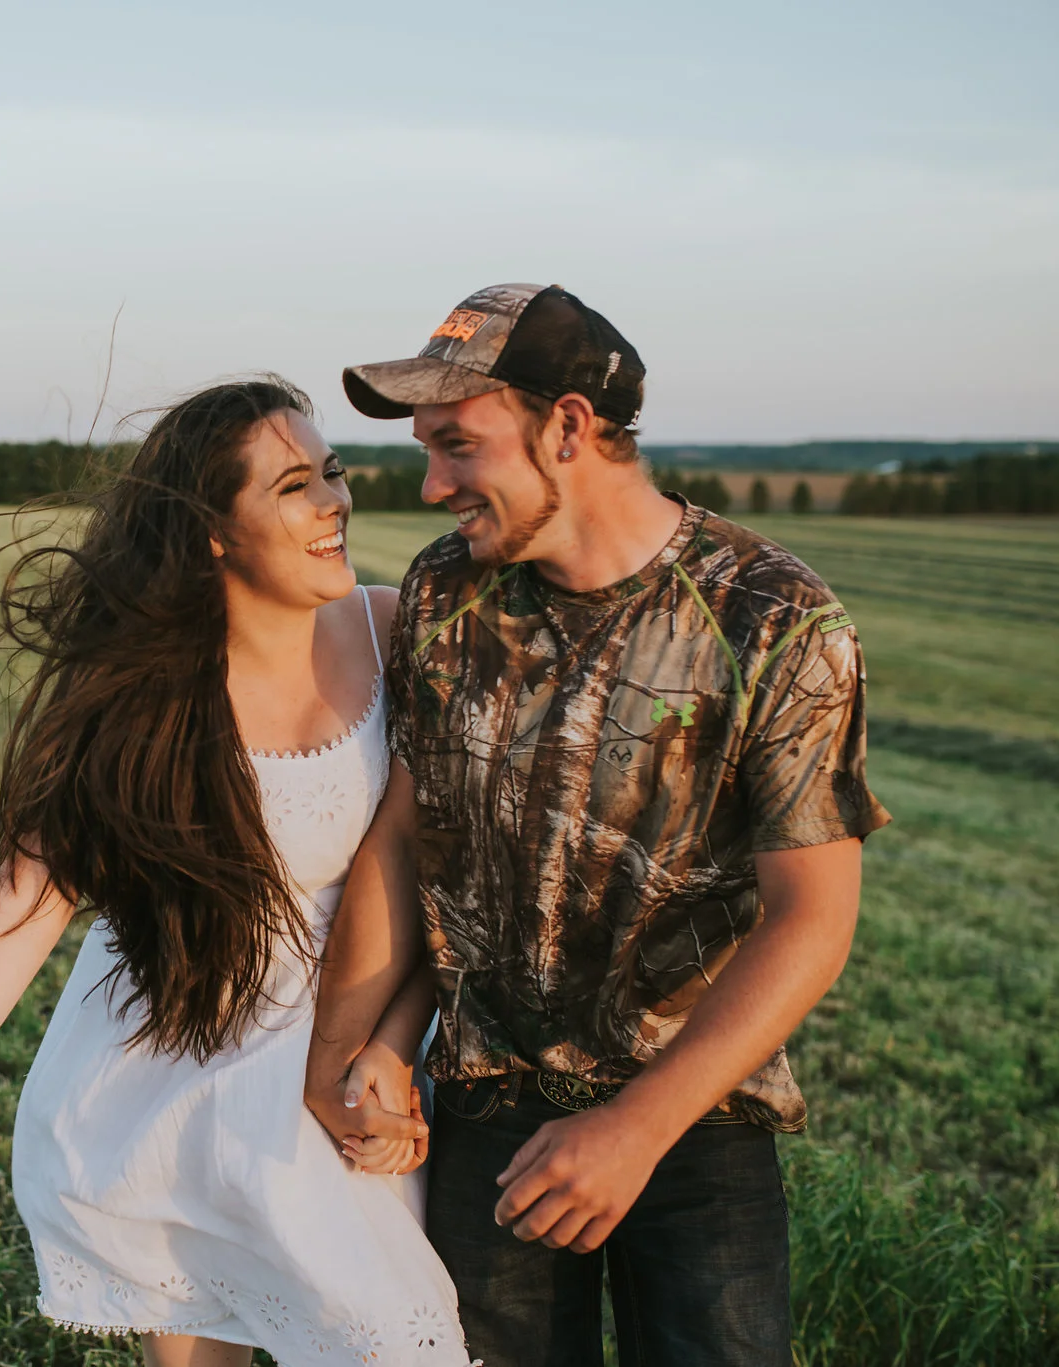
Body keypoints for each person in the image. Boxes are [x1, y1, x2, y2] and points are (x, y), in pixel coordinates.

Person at [0, 379, 475, 1366]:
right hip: (178, 1066)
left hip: (345, 1056)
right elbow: (22, 902)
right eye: (294, 485)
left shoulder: (392, 631)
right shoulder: (139, 696)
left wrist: (386, 1039)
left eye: (332, 473)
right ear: (214, 533)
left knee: (394, 1340)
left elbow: (436, 866)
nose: (333, 502)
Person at [304, 284, 892, 1366]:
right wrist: (345, 1055)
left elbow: (811, 919)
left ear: (568, 426)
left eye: (455, 445)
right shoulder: (444, 594)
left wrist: (638, 1124)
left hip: (698, 1117)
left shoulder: (773, 615)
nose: (432, 485)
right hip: (483, 1107)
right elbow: (405, 838)